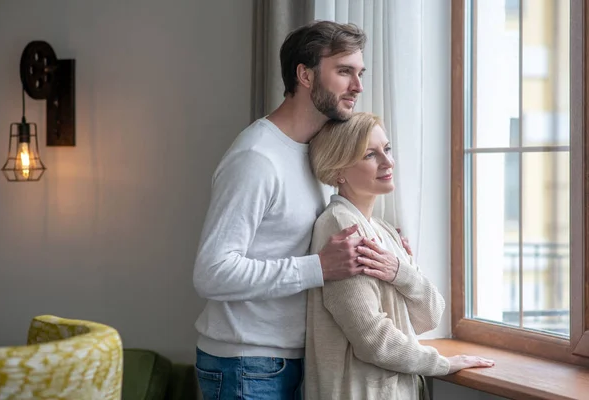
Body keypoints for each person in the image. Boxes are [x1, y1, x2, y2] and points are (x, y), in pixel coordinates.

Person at [192, 21, 400, 400]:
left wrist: (385, 241)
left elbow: (308, 229)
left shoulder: (315, 151)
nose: (358, 86)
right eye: (344, 72)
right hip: (246, 366)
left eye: (360, 73)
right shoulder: (257, 158)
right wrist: (318, 267)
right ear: (304, 75)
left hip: (290, 362)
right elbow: (211, 273)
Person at [305, 112, 495, 400]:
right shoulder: (341, 226)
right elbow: (373, 340)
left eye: (387, 149)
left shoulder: (384, 231)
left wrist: (400, 272)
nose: (388, 162)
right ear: (338, 170)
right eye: (370, 155)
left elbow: (428, 316)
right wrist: (441, 364)